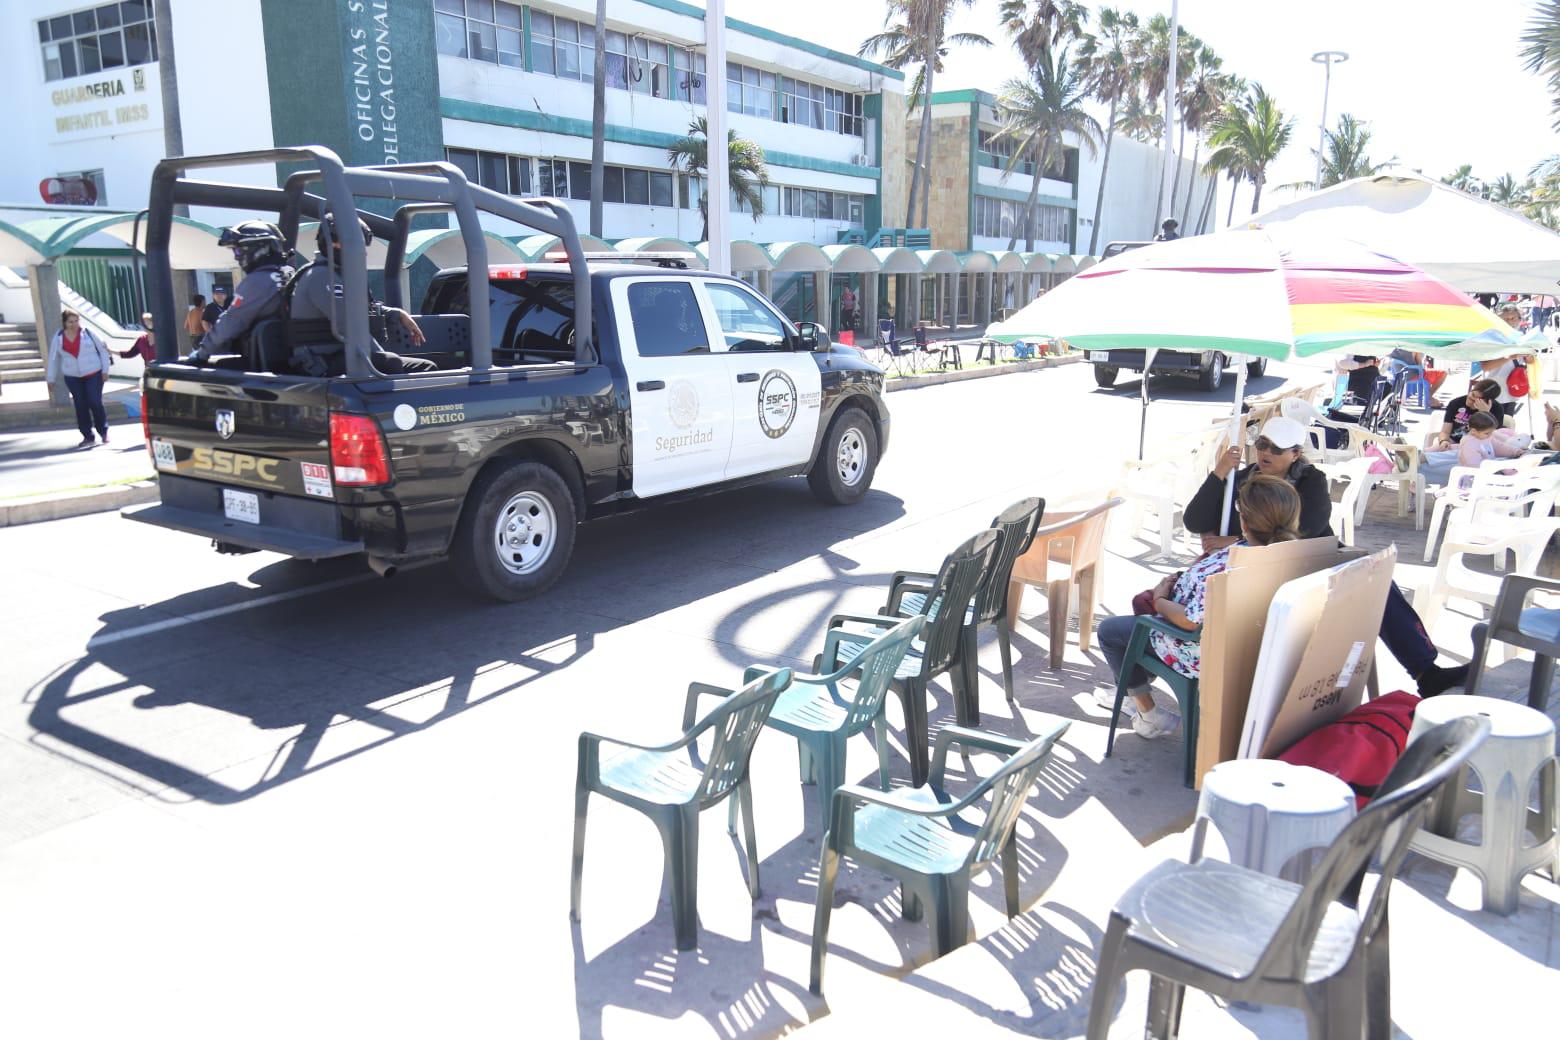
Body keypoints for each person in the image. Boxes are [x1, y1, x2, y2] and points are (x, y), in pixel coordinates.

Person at [1183, 415, 1469, 696]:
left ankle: (1425, 672)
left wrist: (1235, 539)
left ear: (1295, 454)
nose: (1266, 453)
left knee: (1378, 582)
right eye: (1262, 444)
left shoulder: (1310, 480)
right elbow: (1194, 521)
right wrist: (1220, 472)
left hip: (1312, 560)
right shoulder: (1241, 479)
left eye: (1276, 449)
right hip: (1259, 576)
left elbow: (1305, 530)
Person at [1095, 475, 1302, 740]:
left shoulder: (1230, 569)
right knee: (1134, 626)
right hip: (1244, 647)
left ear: (1245, 520)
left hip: (1194, 648)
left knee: (1111, 632)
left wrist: (1160, 600)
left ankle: (1147, 712)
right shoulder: (1288, 555)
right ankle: (1132, 693)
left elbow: (1190, 622)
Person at [288, 212, 435, 375]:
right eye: (346, 243)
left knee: (425, 368)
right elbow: (350, 327)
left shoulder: (340, 276)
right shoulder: (321, 277)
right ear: (328, 243)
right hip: (321, 362)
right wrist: (380, 356)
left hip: (344, 355)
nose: (358, 251)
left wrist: (395, 313)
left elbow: (365, 309)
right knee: (392, 363)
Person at [188, 222, 295, 365]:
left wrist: (202, 353)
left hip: (267, 364)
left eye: (238, 251)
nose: (236, 257)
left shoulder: (257, 281)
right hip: (291, 359)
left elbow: (231, 321)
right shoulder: (290, 273)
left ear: (258, 250)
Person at [45, 309, 113, 448]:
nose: (74, 324)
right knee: (80, 405)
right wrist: (50, 379)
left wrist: (105, 370)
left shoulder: (88, 333)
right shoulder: (58, 337)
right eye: (70, 322)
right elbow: (53, 359)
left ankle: (103, 431)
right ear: (64, 322)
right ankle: (87, 435)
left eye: (76, 321)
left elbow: (102, 350)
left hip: (93, 373)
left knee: (94, 401)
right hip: (72, 376)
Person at [1431, 378, 1505, 449]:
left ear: (1488, 402)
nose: (1471, 400)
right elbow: (1445, 431)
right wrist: (1444, 441)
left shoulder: (1496, 409)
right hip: (1453, 442)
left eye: (1477, 400)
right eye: (1472, 395)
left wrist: (1484, 414)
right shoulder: (1456, 403)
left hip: (1477, 445)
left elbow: (1493, 437)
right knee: (1433, 451)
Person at [1457, 411, 1525, 468]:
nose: (1490, 435)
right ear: (1474, 431)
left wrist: (1515, 451)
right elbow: (1473, 465)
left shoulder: (1487, 438)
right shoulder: (1469, 444)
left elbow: (1499, 447)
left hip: (1489, 469)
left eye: (1491, 432)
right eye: (1487, 433)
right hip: (1474, 475)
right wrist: (1495, 468)